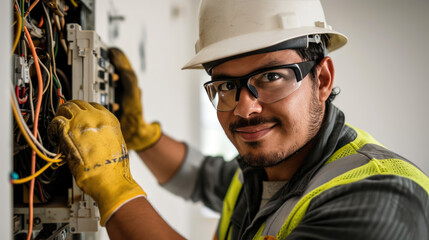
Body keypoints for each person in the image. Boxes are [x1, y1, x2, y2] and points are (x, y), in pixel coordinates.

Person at [48, 0, 429, 239]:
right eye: (227, 85)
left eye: (271, 77)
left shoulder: (380, 201)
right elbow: (202, 177)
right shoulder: (266, 169)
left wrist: (115, 187)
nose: (245, 109)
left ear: (322, 79)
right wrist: (140, 135)